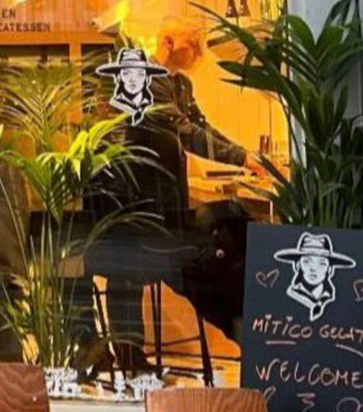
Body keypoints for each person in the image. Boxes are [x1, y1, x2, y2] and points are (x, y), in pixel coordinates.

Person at [94, 20, 268, 372]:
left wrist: (244, 154)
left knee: (182, 264)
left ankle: (242, 332)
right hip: (138, 195)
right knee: (132, 273)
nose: (200, 52)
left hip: (167, 197)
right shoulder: (145, 81)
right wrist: (240, 158)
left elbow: (200, 127)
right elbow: (186, 132)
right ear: (169, 42)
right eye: (194, 43)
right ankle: (131, 354)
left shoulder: (180, 85)